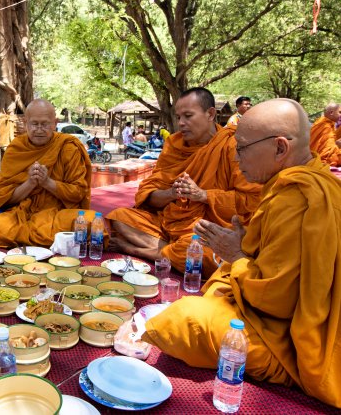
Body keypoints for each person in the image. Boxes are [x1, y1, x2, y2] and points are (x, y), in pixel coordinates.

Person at [142, 99, 341, 409]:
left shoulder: (297, 199)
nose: (236, 156)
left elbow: (276, 301)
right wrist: (245, 244)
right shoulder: (298, 184)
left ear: (279, 148)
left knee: (185, 319)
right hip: (274, 304)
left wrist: (236, 255)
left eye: (243, 148)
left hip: (291, 336)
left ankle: (283, 370)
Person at [107, 88, 261, 277]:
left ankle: (141, 251)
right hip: (168, 224)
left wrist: (203, 195)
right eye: (179, 117)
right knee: (119, 217)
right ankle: (170, 252)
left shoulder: (232, 146)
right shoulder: (174, 145)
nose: (181, 123)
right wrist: (172, 193)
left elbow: (250, 203)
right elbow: (149, 193)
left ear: (210, 114)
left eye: (188, 116)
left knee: (198, 250)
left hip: (206, 229)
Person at [0, 99, 101, 247]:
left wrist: (47, 183)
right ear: (25, 123)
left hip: (58, 214)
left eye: (44, 124)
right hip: (24, 214)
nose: (39, 129)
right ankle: (55, 242)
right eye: (34, 124)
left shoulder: (68, 147)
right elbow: (0, 199)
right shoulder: (16, 149)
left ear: (55, 123)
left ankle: (28, 240)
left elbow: (78, 193)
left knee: (91, 220)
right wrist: (30, 183)